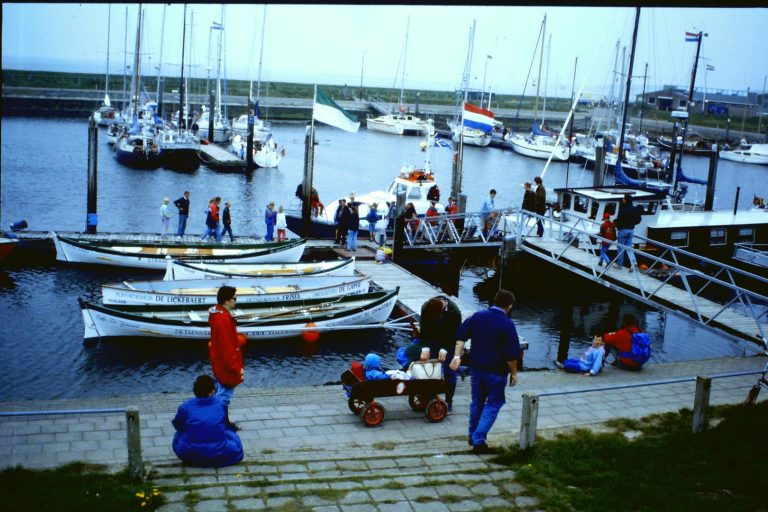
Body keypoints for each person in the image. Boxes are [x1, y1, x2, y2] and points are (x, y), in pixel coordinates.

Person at [450, 290, 520, 453]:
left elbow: (460, 337)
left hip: (476, 368)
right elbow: (511, 355)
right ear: (509, 306)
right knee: (494, 403)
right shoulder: (507, 324)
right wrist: (514, 374)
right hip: (496, 371)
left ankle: (472, 434)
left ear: (494, 300)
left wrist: (456, 357)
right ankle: (478, 439)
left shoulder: (478, 316)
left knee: (477, 402)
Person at [171, 375, 244, 468]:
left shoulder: (185, 407)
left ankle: (195, 458)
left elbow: (178, 426)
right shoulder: (221, 404)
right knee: (233, 437)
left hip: (191, 452)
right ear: (212, 391)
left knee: (178, 436)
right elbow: (226, 424)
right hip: (218, 452)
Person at [208, 285, 246, 429]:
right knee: (223, 395)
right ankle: (220, 424)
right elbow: (227, 348)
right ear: (227, 300)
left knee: (220, 392)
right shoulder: (223, 320)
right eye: (234, 298)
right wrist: (237, 368)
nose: (236, 301)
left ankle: (222, 422)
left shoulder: (218, 315)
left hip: (218, 361)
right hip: (225, 364)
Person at [417, 296, 462, 411]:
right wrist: (425, 347)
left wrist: (445, 349)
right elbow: (424, 329)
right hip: (433, 339)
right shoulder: (426, 308)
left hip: (449, 341)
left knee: (450, 372)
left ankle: (449, 401)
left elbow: (455, 334)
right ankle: (429, 396)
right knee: (429, 368)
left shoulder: (454, 312)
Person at [614, 193, 642, 271]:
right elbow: (639, 219)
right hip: (631, 230)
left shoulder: (623, 209)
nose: (622, 199)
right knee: (629, 248)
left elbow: (619, 219)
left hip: (622, 230)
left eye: (623, 198)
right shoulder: (634, 209)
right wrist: (633, 224)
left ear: (625, 200)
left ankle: (619, 265)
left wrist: (617, 225)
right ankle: (633, 264)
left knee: (620, 248)